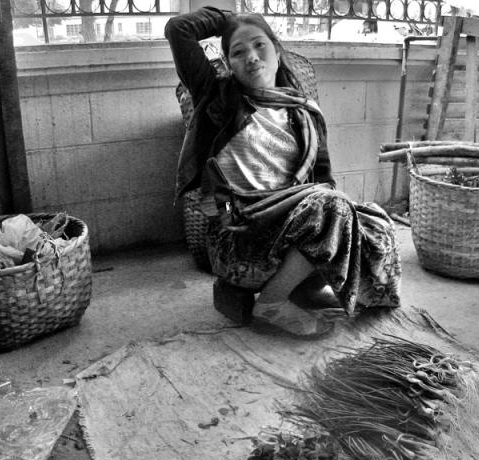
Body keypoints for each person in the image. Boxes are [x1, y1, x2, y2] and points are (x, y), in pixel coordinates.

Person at [165, 8, 401, 338]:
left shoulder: (304, 113)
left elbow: (323, 179)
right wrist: (236, 18)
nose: (251, 57)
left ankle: (300, 285)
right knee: (331, 209)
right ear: (229, 64)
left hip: (288, 231)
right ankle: (271, 304)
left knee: (373, 223)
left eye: (259, 45)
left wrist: (344, 224)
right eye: (238, 51)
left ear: (277, 50)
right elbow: (179, 28)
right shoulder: (219, 100)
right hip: (240, 239)